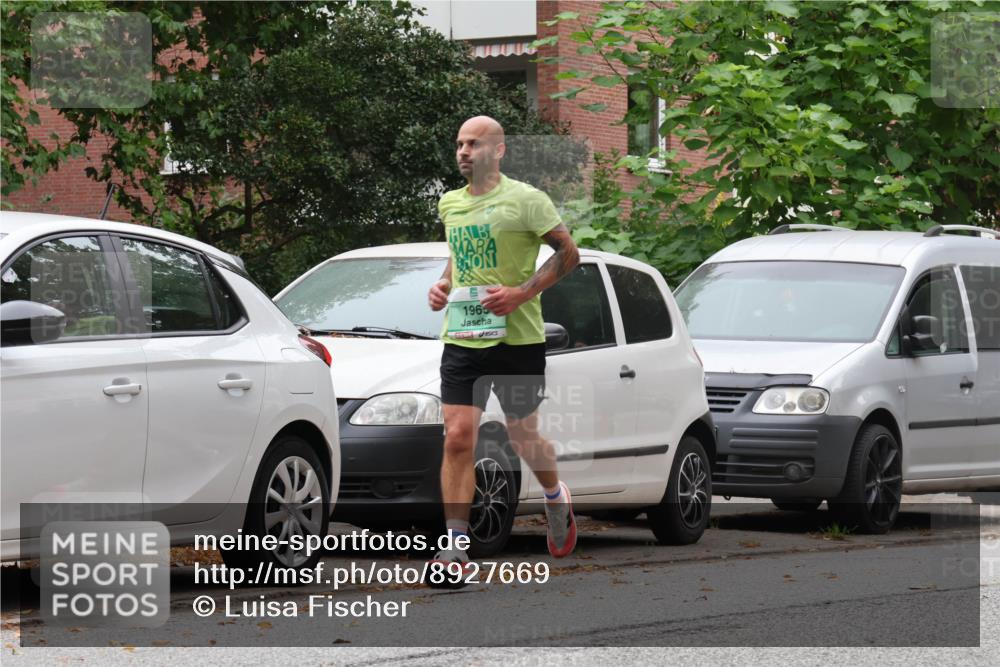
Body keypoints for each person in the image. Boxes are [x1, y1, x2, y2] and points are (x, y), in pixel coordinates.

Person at [427, 116, 580, 583]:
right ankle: (455, 546)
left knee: (522, 438)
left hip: (518, 339)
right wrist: (443, 284)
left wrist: (521, 293)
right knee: (457, 436)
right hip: (463, 337)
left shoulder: (526, 200)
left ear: (499, 150)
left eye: (473, 143)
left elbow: (569, 254)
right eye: (459, 143)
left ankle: (556, 498)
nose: (463, 151)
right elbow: (460, 255)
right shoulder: (450, 203)